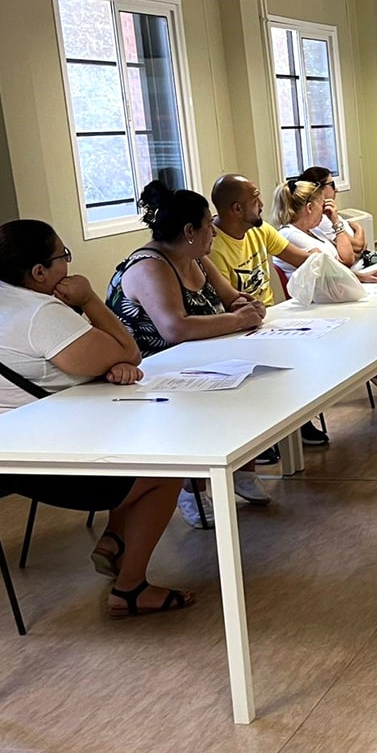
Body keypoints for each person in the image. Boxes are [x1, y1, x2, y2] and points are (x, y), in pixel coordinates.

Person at [0, 221, 194, 617]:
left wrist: (105, 366)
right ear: (39, 272)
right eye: (63, 257)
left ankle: (114, 539)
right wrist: (91, 300)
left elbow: (76, 363)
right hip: (21, 459)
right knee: (166, 468)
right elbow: (128, 351)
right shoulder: (38, 312)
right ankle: (130, 588)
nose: (67, 265)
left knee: (131, 445)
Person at [106, 180, 272, 523]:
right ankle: (190, 488)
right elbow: (175, 329)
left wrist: (245, 306)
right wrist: (237, 320)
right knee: (209, 403)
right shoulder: (150, 266)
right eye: (208, 225)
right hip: (148, 376)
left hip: (199, 361)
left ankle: (242, 470)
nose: (214, 231)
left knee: (261, 384)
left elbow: (230, 299)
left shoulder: (195, 257)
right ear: (189, 231)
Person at [210, 173, 332, 446]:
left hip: (268, 319)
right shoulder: (214, 246)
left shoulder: (259, 230)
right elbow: (229, 302)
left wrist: (349, 274)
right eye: (255, 200)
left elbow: (301, 260)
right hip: (236, 328)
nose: (262, 204)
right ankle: (262, 437)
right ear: (237, 209)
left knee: (314, 349)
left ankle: (296, 421)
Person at [273, 179, 377, 399]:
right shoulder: (291, 234)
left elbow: (344, 261)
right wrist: (336, 224)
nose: (326, 211)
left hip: (333, 293)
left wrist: (361, 276)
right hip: (317, 304)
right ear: (310, 207)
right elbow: (337, 265)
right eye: (322, 206)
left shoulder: (313, 232)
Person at [296, 166, 367, 269]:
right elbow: (356, 248)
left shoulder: (329, 212)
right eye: (332, 185)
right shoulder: (322, 220)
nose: (337, 189)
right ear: (320, 188)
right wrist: (359, 228)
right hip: (358, 269)